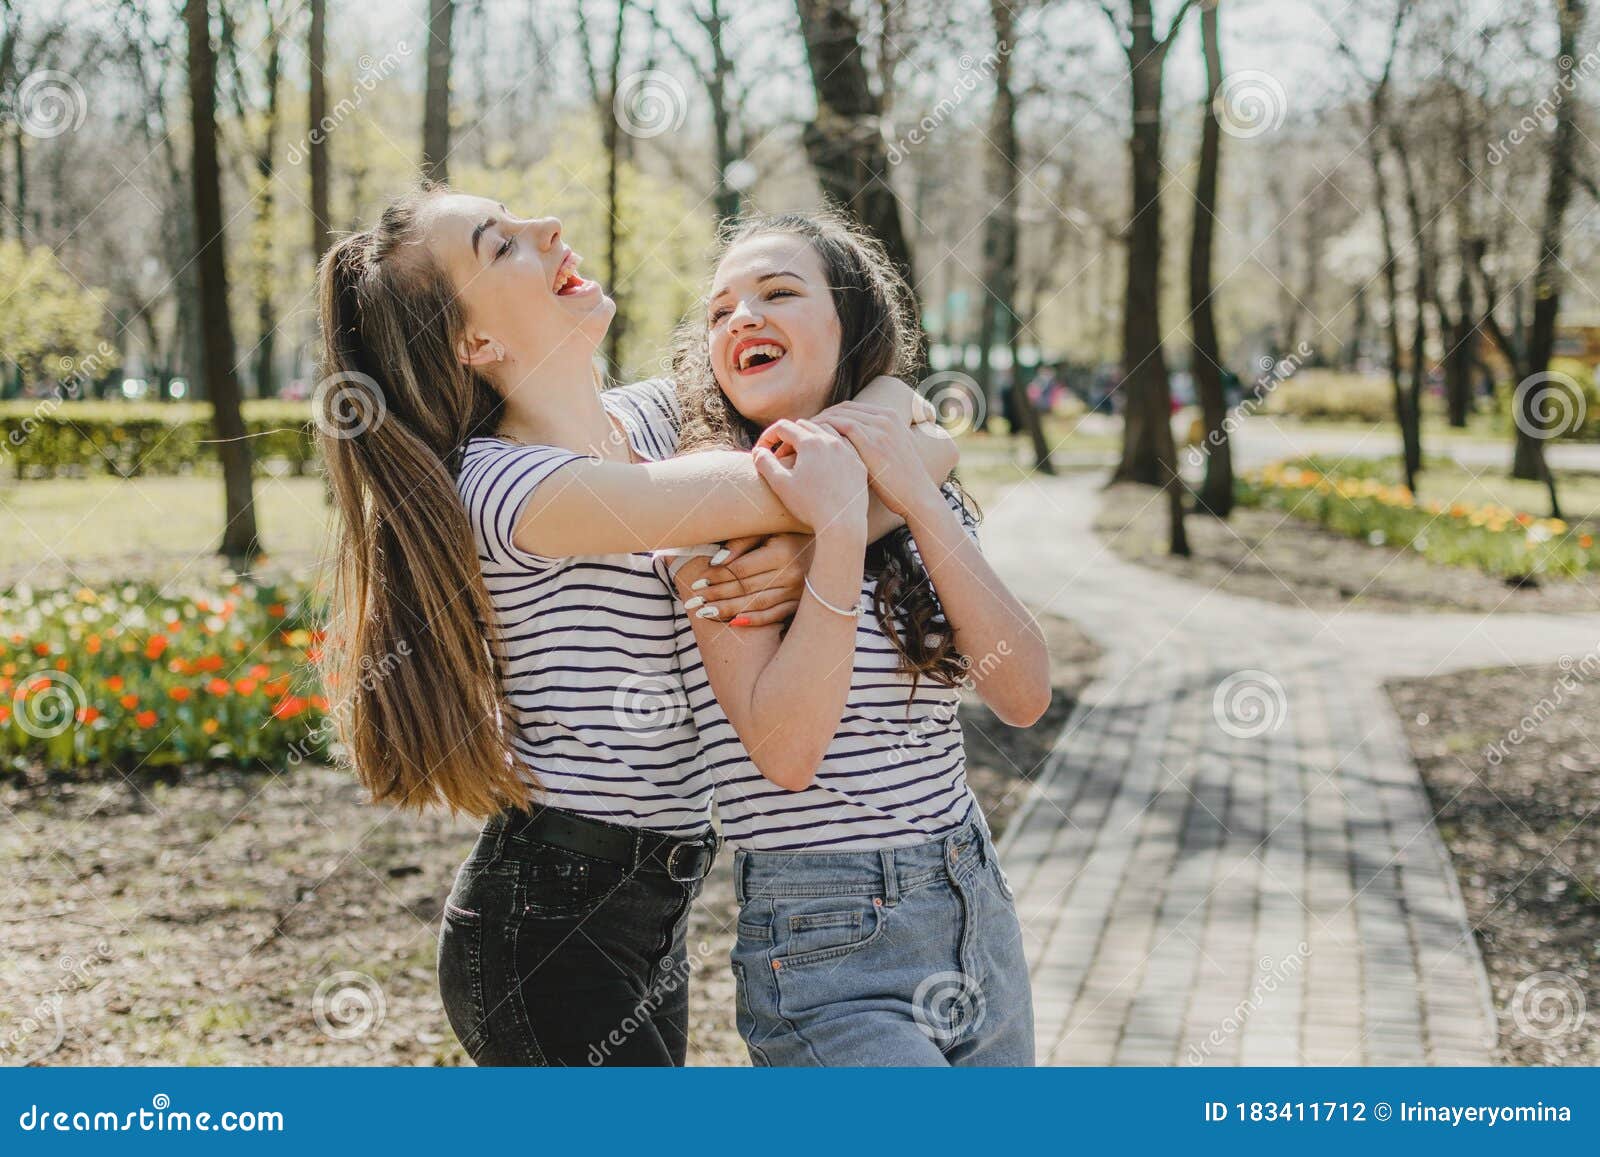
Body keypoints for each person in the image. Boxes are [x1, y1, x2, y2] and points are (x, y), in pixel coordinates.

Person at [313, 186, 951, 1066]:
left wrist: (823, 539)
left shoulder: (652, 418)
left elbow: (911, 417)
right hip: (544, 929)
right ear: (477, 344)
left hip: (653, 909)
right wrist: (843, 513)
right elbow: (849, 469)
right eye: (501, 246)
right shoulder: (506, 488)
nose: (548, 228)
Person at [657, 212, 1051, 1065]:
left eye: (778, 292)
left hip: (969, 897)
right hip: (821, 937)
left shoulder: (911, 475)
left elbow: (1022, 694)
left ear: (849, 327)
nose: (741, 320)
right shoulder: (702, 518)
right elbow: (787, 752)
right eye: (720, 310)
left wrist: (909, 488)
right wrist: (834, 533)